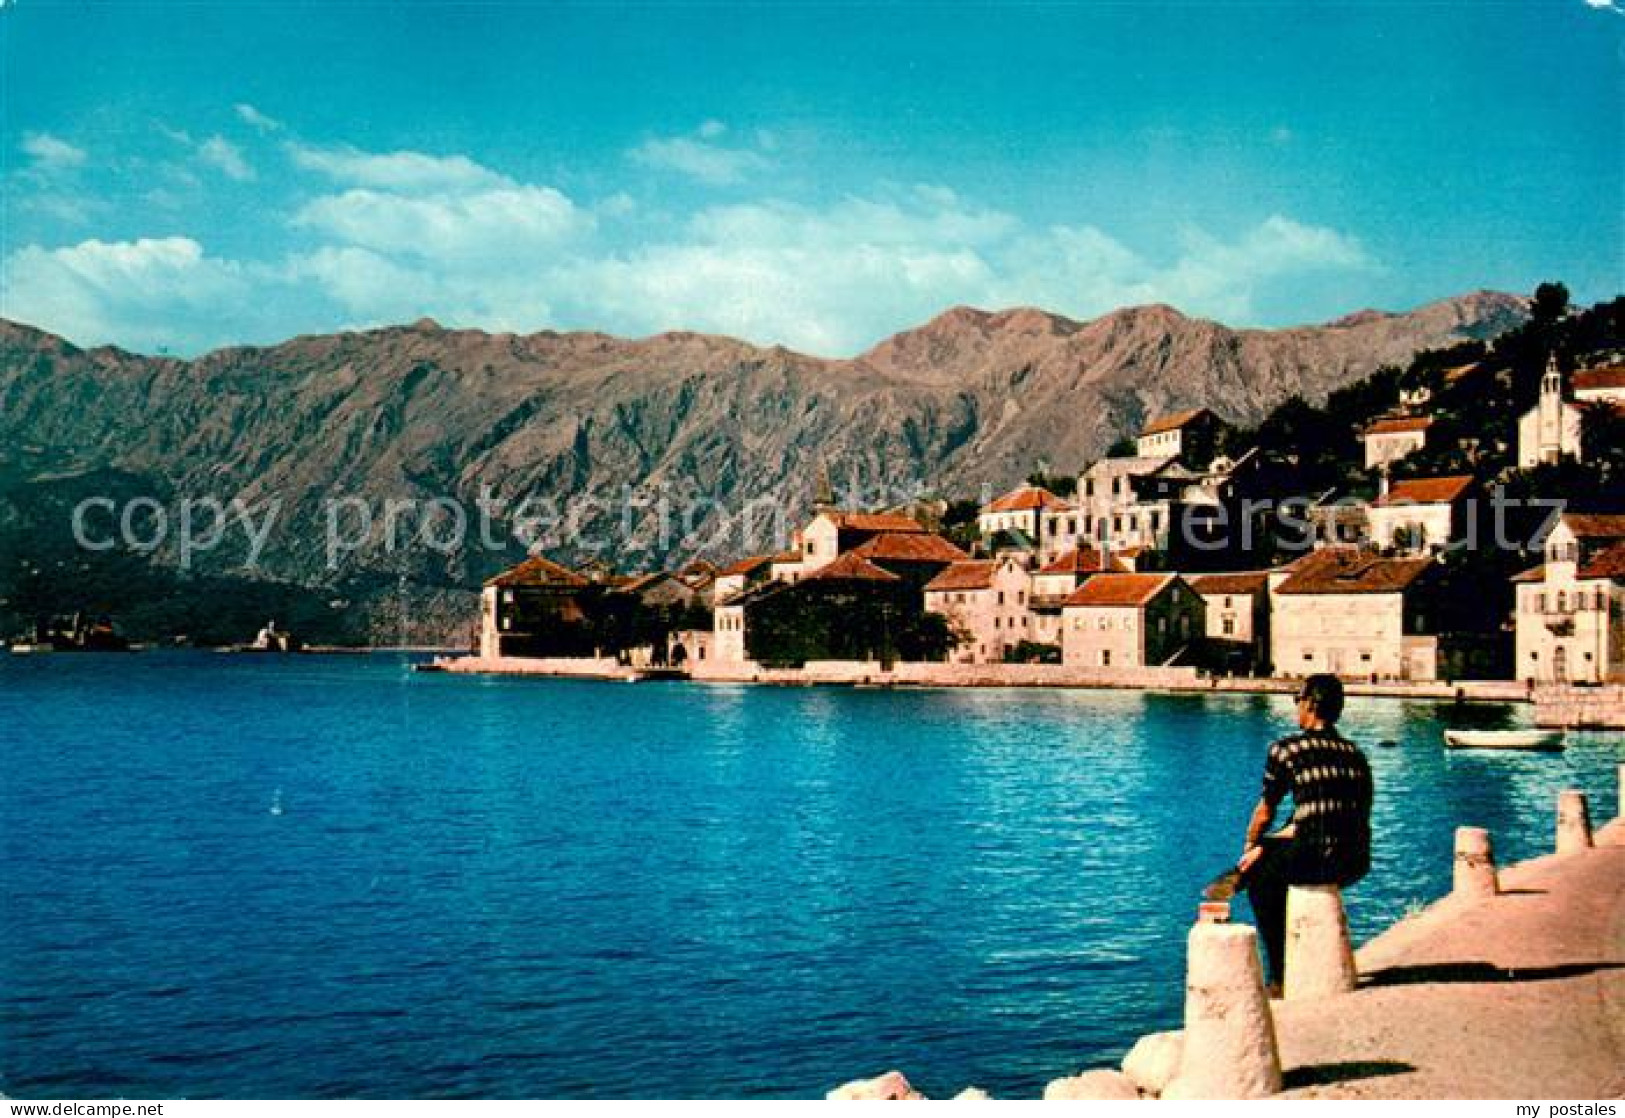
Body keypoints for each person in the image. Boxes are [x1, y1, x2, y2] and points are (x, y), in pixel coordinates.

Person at [1237, 674, 1373, 990]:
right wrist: (1271, 845)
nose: (1296, 708)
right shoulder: (1356, 755)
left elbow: (1265, 811)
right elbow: (1332, 816)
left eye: (1298, 701)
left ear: (1310, 704)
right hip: (1354, 859)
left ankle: (1281, 976)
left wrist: (1253, 846)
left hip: (1315, 858)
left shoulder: (1286, 751)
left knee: (1260, 876)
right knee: (1276, 855)